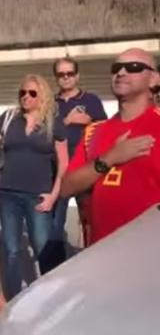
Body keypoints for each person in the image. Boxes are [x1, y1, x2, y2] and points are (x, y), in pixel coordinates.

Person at [61, 48, 160, 245]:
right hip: (100, 253)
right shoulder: (93, 131)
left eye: (133, 67)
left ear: (154, 79)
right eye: (116, 68)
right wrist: (109, 158)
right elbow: (66, 187)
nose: (121, 73)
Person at [0, 74, 68, 300]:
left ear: (43, 96)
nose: (26, 97)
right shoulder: (9, 117)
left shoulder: (53, 122)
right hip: (8, 194)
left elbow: (64, 164)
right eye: (23, 93)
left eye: (32, 93)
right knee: (11, 251)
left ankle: (49, 298)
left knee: (43, 249)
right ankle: (14, 298)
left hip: (38, 195)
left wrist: (54, 195)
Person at [46, 57, 107, 268]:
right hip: (59, 172)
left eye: (69, 74)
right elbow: (43, 135)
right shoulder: (50, 104)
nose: (65, 78)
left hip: (85, 170)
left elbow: (105, 131)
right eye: (61, 75)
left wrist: (90, 121)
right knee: (55, 227)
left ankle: (96, 267)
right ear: (56, 78)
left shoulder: (91, 100)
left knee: (91, 222)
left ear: (77, 76)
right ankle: (55, 274)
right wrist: (67, 121)